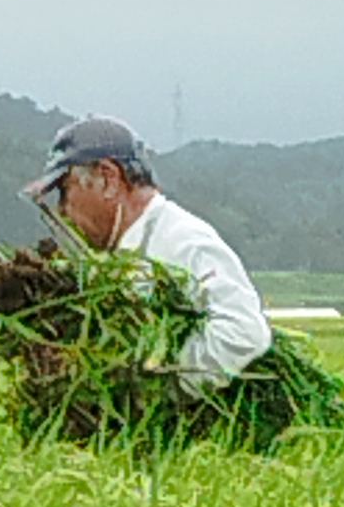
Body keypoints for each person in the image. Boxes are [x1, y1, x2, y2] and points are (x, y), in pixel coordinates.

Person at [22, 114, 272, 390]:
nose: (62, 210)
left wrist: (162, 389)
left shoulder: (183, 242)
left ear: (108, 179)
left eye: (64, 191)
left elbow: (245, 331)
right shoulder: (117, 255)